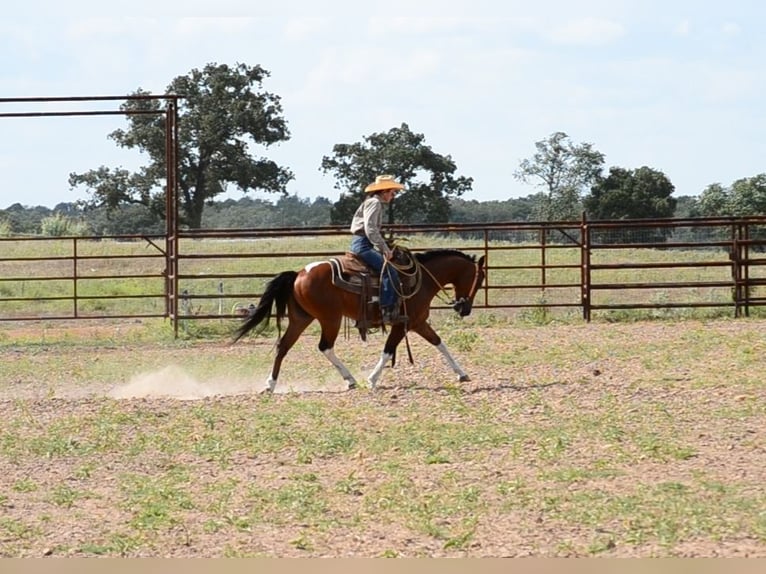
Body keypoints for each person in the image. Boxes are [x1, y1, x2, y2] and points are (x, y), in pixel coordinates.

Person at [350, 174, 405, 324]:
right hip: (363, 244)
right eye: (393, 192)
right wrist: (385, 248)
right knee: (389, 270)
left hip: (361, 243)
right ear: (384, 191)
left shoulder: (372, 202)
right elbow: (370, 229)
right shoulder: (375, 203)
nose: (393, 196)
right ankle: (386, 310)